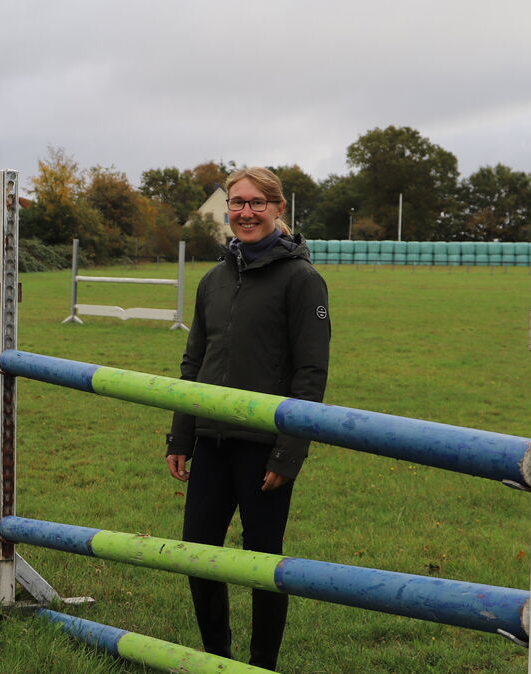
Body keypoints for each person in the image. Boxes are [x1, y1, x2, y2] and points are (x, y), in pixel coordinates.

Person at [166, 166, 330, 670]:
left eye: (258, 203)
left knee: (262, 561)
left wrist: (289, 452)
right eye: (238, 203)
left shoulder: (303, 280)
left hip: (264, 448)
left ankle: (262, 664)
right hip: (211, 442)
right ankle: (217, 656)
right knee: (198, 555)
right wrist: (181, 435)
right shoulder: (214, 280)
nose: (246, 212)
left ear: (279, 209)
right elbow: (194, 362)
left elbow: (310, 373)